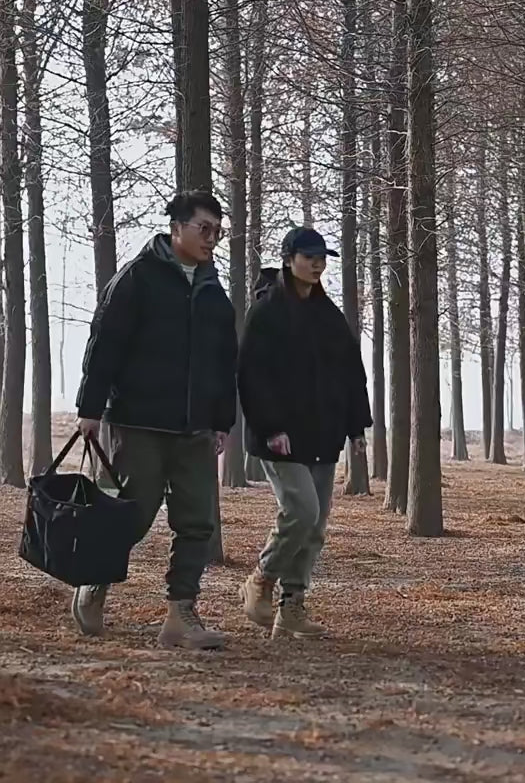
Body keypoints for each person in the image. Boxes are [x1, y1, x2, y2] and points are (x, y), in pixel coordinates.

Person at [73, 191, 238, 650]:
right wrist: (90, 409)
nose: (211, 239)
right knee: (131, 516)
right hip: (138, 422)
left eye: (217, 231)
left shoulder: (213, 290)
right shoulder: (137, 278)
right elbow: (104, 344)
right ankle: (94, 582)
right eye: (203, 228)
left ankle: (180, 616)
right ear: (177, 228)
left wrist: (222, 419)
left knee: (197, 523)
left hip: (195, 428)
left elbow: (225, 361)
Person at [238, 227, 372, 640]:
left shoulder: (329, 315)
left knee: (315, 527)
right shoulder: (266, 311)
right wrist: (271, 427)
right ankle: (261, 579)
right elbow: (252, 375)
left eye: (322, 258)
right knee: (300, 511)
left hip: (323, 435)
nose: (317, 264)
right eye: (309, 256)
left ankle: (292, 606)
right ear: (288, 259)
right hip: (280, 438)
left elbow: (351, 373)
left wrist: (356, 427)